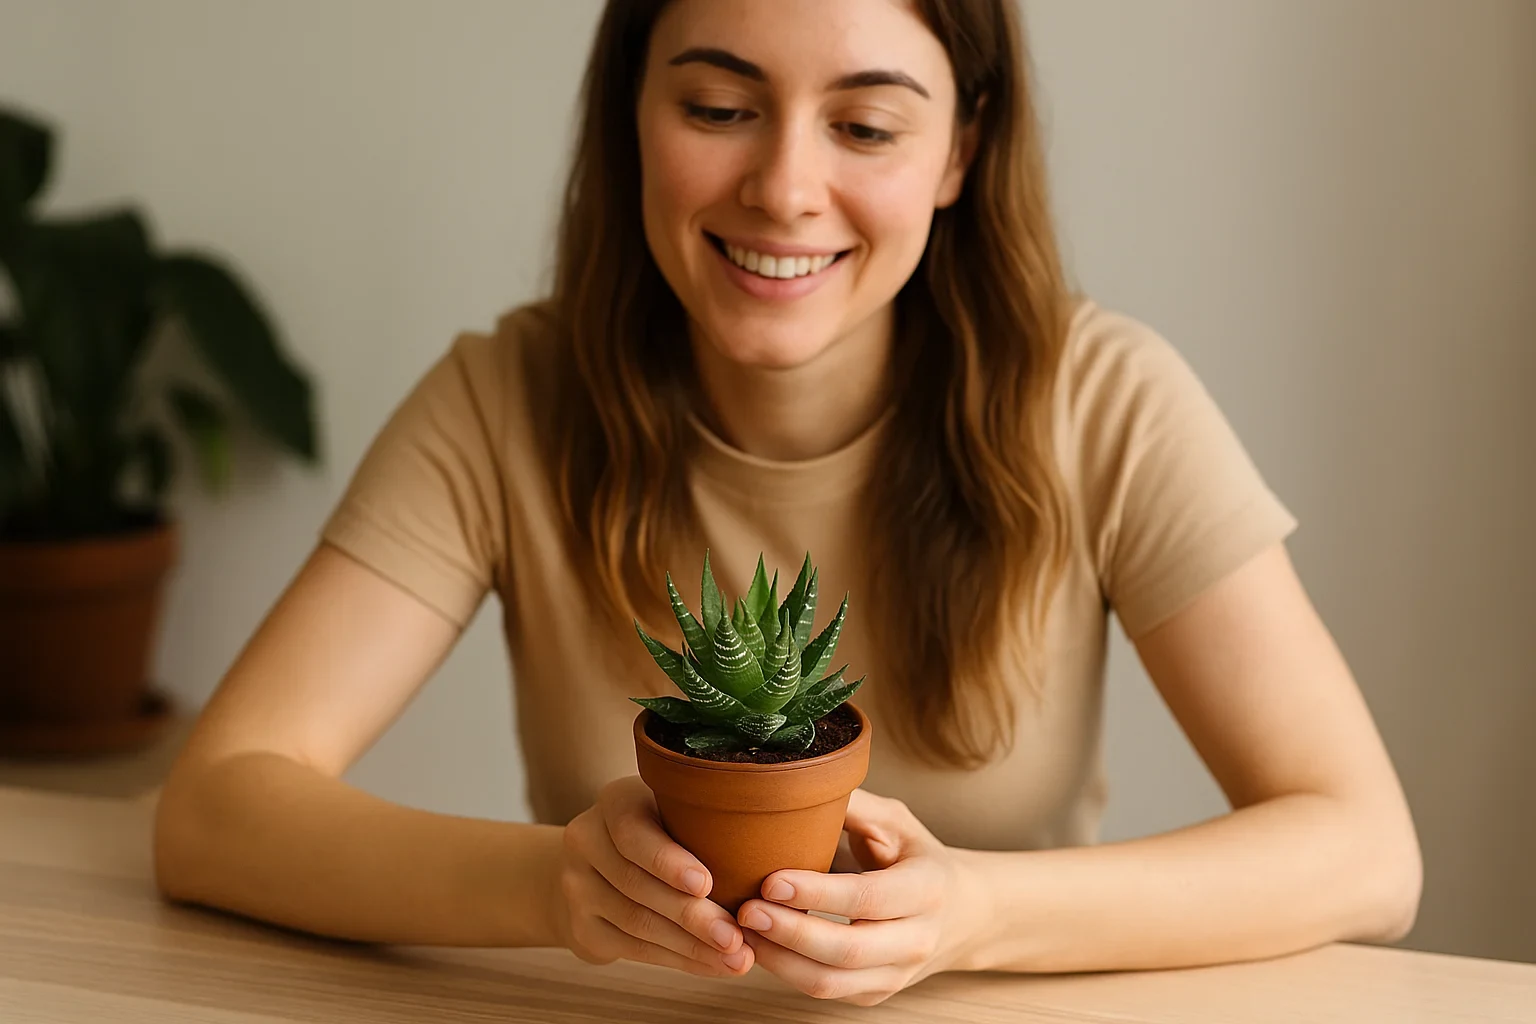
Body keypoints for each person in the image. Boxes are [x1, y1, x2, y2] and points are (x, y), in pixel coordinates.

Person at [153, 0, 1422, 1007]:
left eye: (865, 127)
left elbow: (1364, 851)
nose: (783, 187)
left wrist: (973, 914)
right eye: (718, 105)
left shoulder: (1105, 402)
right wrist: (559, 887)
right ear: (630, 112)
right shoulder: (505, 398)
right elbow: (215, 808)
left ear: (960, 151)